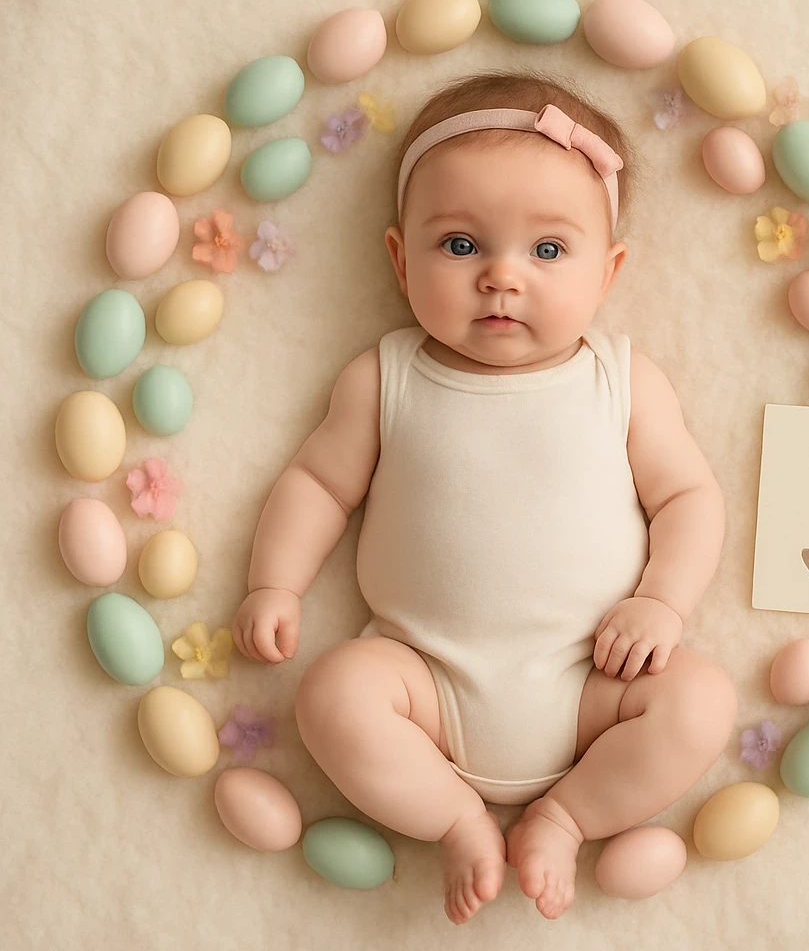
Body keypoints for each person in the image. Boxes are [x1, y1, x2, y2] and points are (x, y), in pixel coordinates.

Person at [232, 69, 737, 924]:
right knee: (332, 695)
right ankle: (457, 817)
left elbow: (690, 496)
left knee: (701, 703)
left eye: (547, 251)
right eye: (461, 246)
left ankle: (567, 817)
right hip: (422, 677)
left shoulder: (622, 382)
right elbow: (317, 483)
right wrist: (273, 584)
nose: (503, 278)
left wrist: (663, 602)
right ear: (399, 259)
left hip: (594, 680)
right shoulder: (385, 377)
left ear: (607, 273)